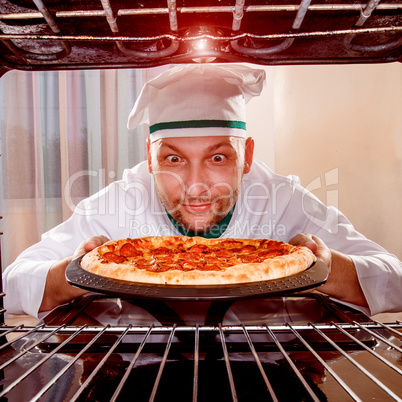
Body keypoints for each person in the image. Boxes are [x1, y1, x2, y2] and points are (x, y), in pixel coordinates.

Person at [3, 64, 402, 319]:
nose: (195, 187)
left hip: (266, 362)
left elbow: (396, 280)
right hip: (136, 362)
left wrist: (325, 268)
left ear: (246, 155)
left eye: (217, 159)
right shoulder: (116, 202)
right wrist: (74, 276)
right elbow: (15, 282)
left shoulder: (284, 198)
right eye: (174, 160)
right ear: (149, 156)